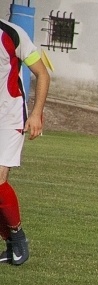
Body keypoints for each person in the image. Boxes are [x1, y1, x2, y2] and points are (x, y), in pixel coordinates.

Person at [0, 18, 50, 266]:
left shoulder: (12, 33)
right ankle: (11, 243)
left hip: (8, 116)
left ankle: (17, 239)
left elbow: (42, 73)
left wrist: (36, 114)